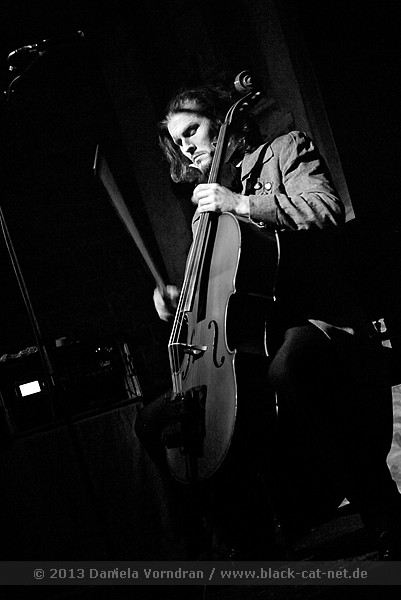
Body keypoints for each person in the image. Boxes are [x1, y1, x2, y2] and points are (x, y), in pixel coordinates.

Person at [135, 75, 401, 560]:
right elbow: (215, 293)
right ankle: (246, 536)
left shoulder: (284, 151)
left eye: (192, 130)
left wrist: (243, 203)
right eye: (177, 141)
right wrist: (177, 297)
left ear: (224, 124)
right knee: (157, 419)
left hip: (313, 318)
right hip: (245, 340)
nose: (185, 146)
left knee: (292, 364)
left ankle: (384, 512)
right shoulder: (203, 214)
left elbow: (325, 207)